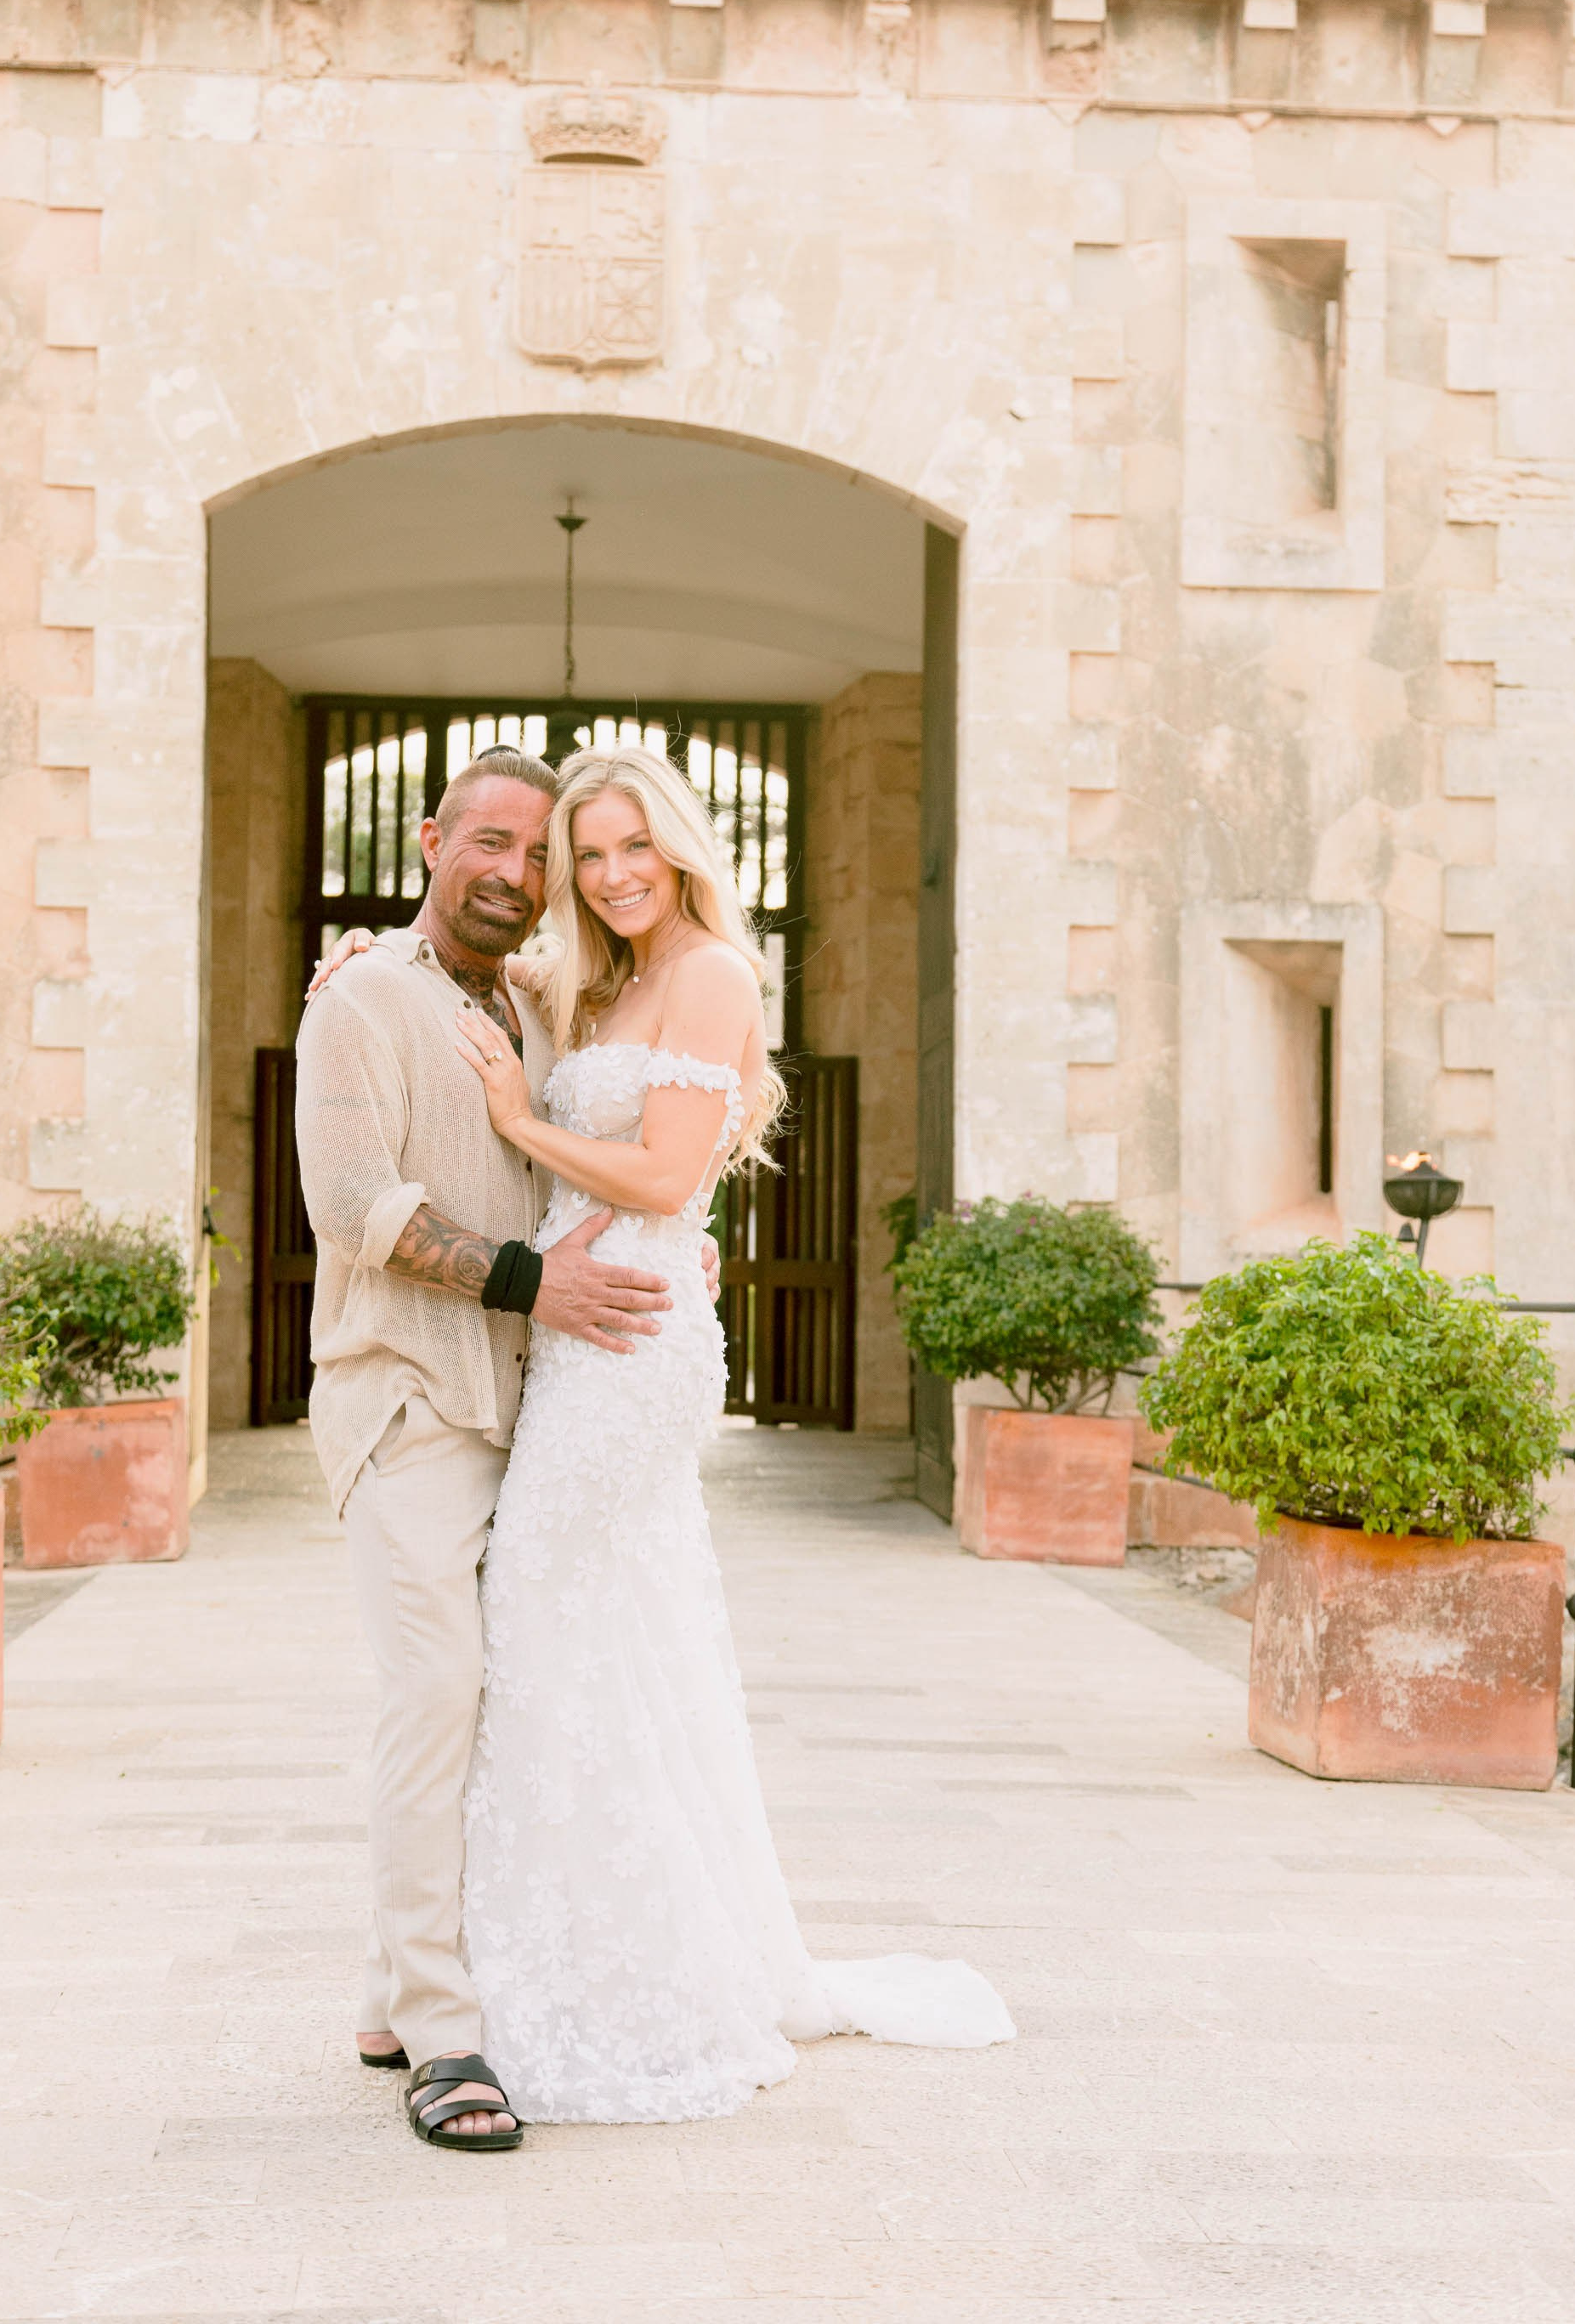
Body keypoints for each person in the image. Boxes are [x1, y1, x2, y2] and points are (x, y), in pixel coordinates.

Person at [442, 744, 1013, 2123]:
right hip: (586, 1329)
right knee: (602, 1628)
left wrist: (521, 1115)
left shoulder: (704, 971)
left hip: (632, 1343)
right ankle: (573, 1954)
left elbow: (667, 1171)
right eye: (588, 855)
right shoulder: (599, 975)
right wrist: (356, 968)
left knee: (545, 1606)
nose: (612, 872)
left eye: (633, 845)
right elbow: (450, 962)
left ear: (682, 843)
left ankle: (619, 1978)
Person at [293, 747, 700, 2152]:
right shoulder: (360, 999)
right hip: (405, 1400)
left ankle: (384, 1990)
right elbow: (352, 1201)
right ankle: (448, 2039)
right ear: (429, 840)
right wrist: (534, 1285)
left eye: (543, 858)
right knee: (438, 1692)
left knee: (492, 1699)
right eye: (497, 844)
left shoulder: (529, 1000)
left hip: (525, 1419)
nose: (520, 877)